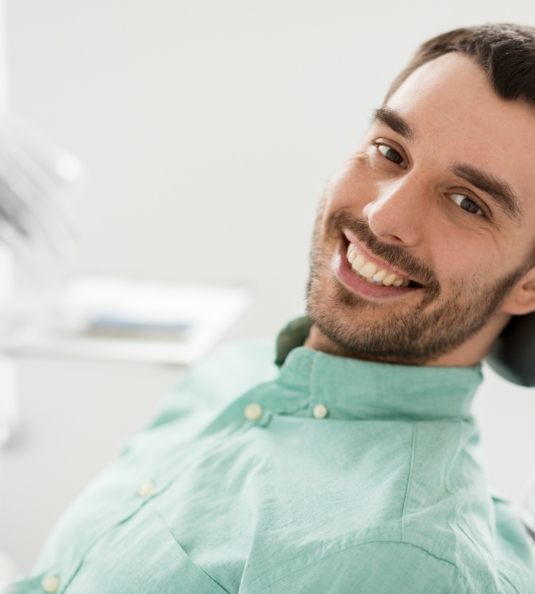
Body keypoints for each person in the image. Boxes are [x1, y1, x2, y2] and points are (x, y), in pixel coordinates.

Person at [10, 22, 535, 594]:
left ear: (528, 286)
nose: (385, 216)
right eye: (389, 151)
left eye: (468, 203)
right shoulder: (234, 373)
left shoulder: (405, 560)